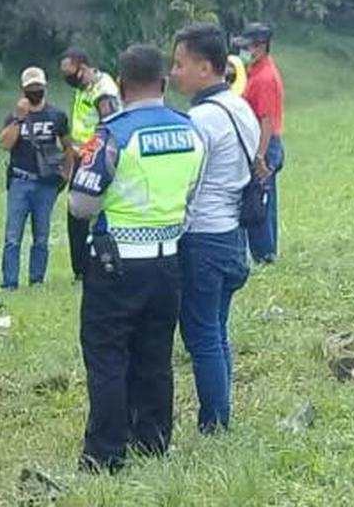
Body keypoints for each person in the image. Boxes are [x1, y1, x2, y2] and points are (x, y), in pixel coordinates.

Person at [68, 45, 205, 473]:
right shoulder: (190, 131)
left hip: (117, 263)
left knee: (108, 355)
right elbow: (191, 195)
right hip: (168, 261)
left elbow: (81, 205)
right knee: (155, 353)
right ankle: (154, 439)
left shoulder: (111, 134)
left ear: (122, 87)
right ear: (163, 83)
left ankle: (106, 453)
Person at [171, 24, 261, 433]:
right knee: (216, 330)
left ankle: (214, 423)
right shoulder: (239, 106)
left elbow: (187, 183)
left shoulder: (202, 119)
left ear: (205, 67)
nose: (174, 73)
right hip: (232, 235)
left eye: (180, 64)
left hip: (203, 238)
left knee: (202, 334)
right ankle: (221, 415)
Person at [0, 67, 75, 289]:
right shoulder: (13, 117)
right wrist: (19, 119)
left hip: (46, 183)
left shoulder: (57, 116)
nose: (35, 92)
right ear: (23, 91)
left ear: (45, 88)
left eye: (38, 88)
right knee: (13, 237)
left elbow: (68, 146)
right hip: (20, 180)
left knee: (41, 236)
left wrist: (66, 173)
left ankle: (37, 280)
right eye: (30, 89)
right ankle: (10, 282)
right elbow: (5, 144)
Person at [60, 47, 121, 281]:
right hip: (81, 156)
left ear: (83, 68)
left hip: (94, 159)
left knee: (87, 212)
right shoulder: (85, 86)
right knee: (75, 215)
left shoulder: (103, 91)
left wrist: (89, 151)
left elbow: (109, 125)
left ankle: (90, 266)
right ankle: (81, 269)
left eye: (70, 73)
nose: (68, 79)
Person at [234, 23, 284, 263]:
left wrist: (260, 156)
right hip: (265, 142)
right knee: (263, 198)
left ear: (261, 45)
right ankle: (266, 251)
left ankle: (264, 255)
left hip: (266, 143)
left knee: (258, 200)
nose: (244, 51)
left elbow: (266, 120)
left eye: (248, 46)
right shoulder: (256, 70)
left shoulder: (264, 78)